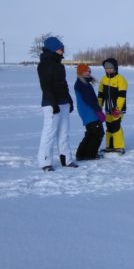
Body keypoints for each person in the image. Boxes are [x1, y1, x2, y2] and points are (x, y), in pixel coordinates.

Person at [36, 36, 78, 170]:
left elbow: (63, 84)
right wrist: (53, 104)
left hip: (63, 102)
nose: (63, 51)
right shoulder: (45, 64)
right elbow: (46, 85)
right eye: (61, 49)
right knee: (49, 133)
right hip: (51, 104)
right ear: (53, 48)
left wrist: (69, 100)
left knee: (64, 132)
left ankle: (66, 160)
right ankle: (45, 162)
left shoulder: (59, 65)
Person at [74, 64, 106, 160]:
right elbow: (90, 100)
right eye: (86, 71)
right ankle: (90, 154)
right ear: (80, 72)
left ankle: (81, 154)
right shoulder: (82, 84)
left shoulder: (84, 83)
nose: (88, 72)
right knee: (98, 133)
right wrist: (99, 112)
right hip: (90, 112)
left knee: (91, 133)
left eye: (89, 70)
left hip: (87, 112)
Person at [98, 58, 128, 153]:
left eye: (110, 67)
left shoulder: (121, 79)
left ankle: (119, 147)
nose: (108, 69)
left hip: (118, 109)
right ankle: (110, 146)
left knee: (116, 126)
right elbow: (101, 95)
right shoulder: (103, 79)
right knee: (109, 127)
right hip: (108, 109)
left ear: (115, 67)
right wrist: (99, 108)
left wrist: (118, 109)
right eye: (106, 68)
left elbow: (122, 96)